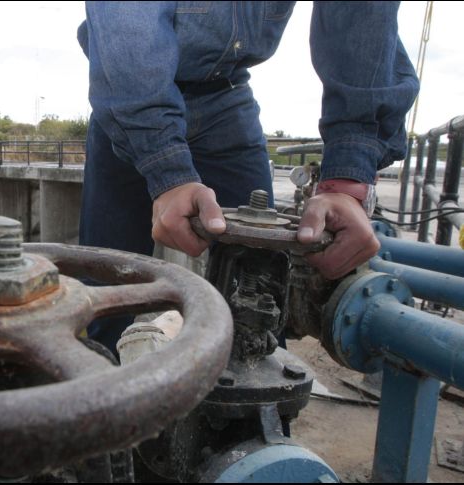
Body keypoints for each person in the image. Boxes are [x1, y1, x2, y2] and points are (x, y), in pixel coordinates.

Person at [77, 2, 419, 352]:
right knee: (107, 285)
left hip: (225, 96)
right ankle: (103, 385)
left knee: (264, 292)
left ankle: (263, 392)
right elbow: (128, 26)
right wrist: (167, 169)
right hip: (129, 101)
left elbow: (361, 15)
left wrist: (347, 178)